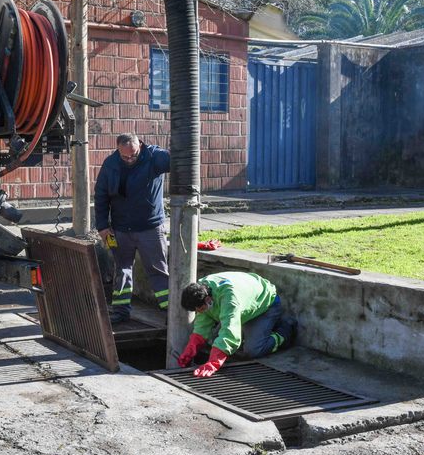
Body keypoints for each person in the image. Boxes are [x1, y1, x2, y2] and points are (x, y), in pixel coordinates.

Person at [94, 134, 171, 324]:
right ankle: (120, 312)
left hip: (150, 228)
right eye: (125, 156)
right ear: (118, 150)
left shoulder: (154, 157)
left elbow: (178, 160)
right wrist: (103, 226)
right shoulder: (111, 164)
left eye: (134, 155)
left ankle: (171, 312)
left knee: (158, 271)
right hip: (120, 229)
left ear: (140, 146)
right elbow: (101, 196)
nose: (130, 159)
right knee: (121, 270)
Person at [178, 271, 297, 377]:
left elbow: (230, 333)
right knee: (214, 341)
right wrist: (192, 347)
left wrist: (213, 363)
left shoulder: (229, 297)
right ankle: (264, 329)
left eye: (200, 309)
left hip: (266, 304)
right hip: (245, 303)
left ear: (207, 299)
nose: (199, 313)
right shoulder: (201, 289)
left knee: (253, 350)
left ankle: (284, 331)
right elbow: (203, 324)